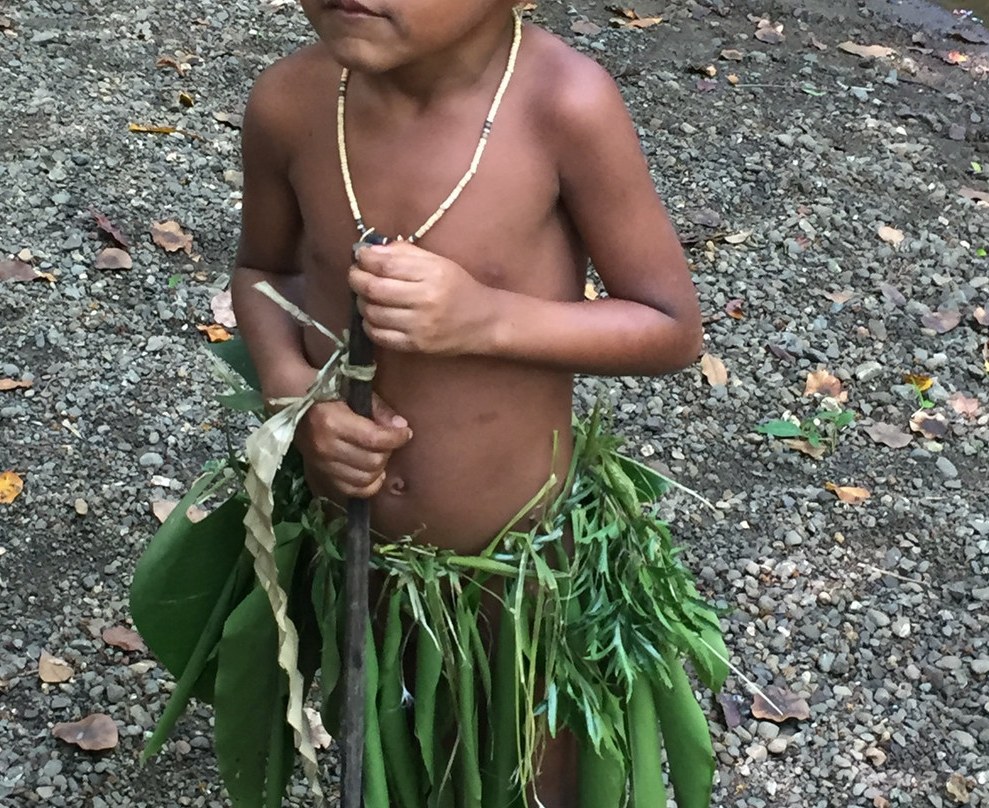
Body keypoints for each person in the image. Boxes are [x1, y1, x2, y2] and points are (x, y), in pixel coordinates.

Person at [139, 1, 726, 807]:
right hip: (356, 545)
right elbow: (261, 274)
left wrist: (485, 317)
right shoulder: (292, 100)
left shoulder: (564, 105)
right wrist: (294, 402)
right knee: (380, 732)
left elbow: (668, 328)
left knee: (520, 760)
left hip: (514, 565)